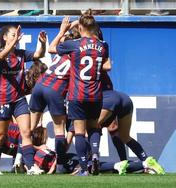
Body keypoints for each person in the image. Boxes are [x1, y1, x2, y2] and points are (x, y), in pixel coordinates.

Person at [48, 10, 111, 176]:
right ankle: (95, 154)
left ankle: (84, 168)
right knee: (94, 128)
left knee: (80, 132)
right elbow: (105, 62)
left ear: (80, 27)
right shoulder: (103, 46)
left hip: (78, 94)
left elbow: (52, 48)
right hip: (96, 95)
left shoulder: (74, 44)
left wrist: (64, 30)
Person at [0, 25, 46, 175]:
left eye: (17, 34)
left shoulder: (21, 54)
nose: (17, 36)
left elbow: (39, 54)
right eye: (13, 34)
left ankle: (31, 167)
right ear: (4, 37)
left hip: (19, 99)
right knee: (1, 135)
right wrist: (13, 43)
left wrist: (42, 43)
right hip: (3, 99)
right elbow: (1, 57)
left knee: (26, 132)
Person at [29, 26, 80, 174]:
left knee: (30, 128)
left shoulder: (61, 50)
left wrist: (63, 30)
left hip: (40, 85)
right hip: (55, 89)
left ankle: (22, 160)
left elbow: (52, 47)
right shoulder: (79, 56)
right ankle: (61, 165)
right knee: (59, 130)